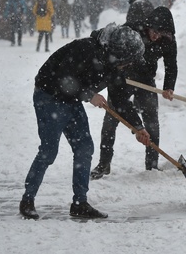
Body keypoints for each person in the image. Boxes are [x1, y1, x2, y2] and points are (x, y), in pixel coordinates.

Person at [19, 23, 151, 220]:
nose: (130, 65)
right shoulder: (84, 49)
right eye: (129, 60)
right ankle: (27, 200)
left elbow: (120, 99)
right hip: (49, 95)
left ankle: (80, 203)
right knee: (48, 151)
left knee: (84, 148)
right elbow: (63, 78)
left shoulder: (114, 65)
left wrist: (138, 127)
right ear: (120, 52)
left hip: (70, 99)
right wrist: (89, 95)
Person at [91, 6, 178, 178]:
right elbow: (114, 52)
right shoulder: (132, 30)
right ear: (148, 26)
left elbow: (171, 64)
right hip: (121, 77)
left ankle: (151, 166)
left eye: (160, 34)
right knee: (112, 118)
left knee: (151, 120)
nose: (156, 36)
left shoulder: (167, 40)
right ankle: (104, 164)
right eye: (154, 32)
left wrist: (169, 86)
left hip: (146, 80)